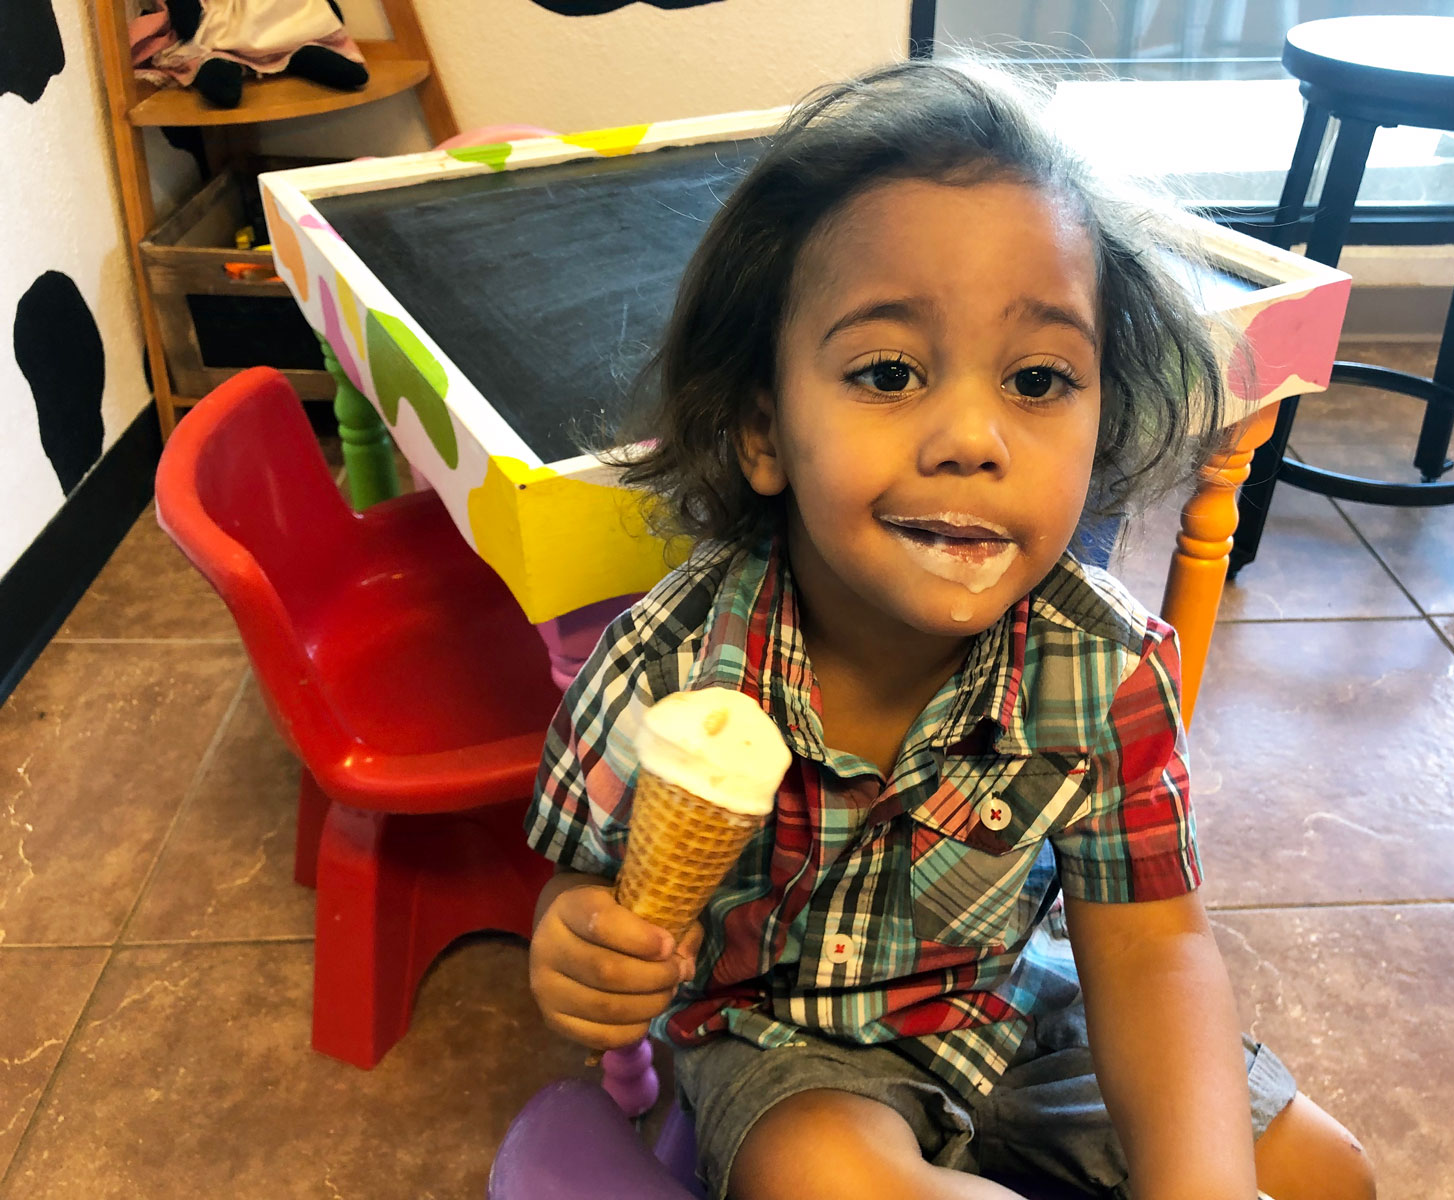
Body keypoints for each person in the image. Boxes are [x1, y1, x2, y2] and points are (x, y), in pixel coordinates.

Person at [525, 59, 1375, 1200]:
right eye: (889, 372)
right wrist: (579, 943)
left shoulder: (1107, 667)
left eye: (1039, 380)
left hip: (1013, 1008)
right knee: (828, 1179)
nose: (974, 437)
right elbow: (577, 883)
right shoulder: (663, 665)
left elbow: (1151, 944)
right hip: (786, 1049)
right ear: (764, 430)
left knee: (1326, 1172)